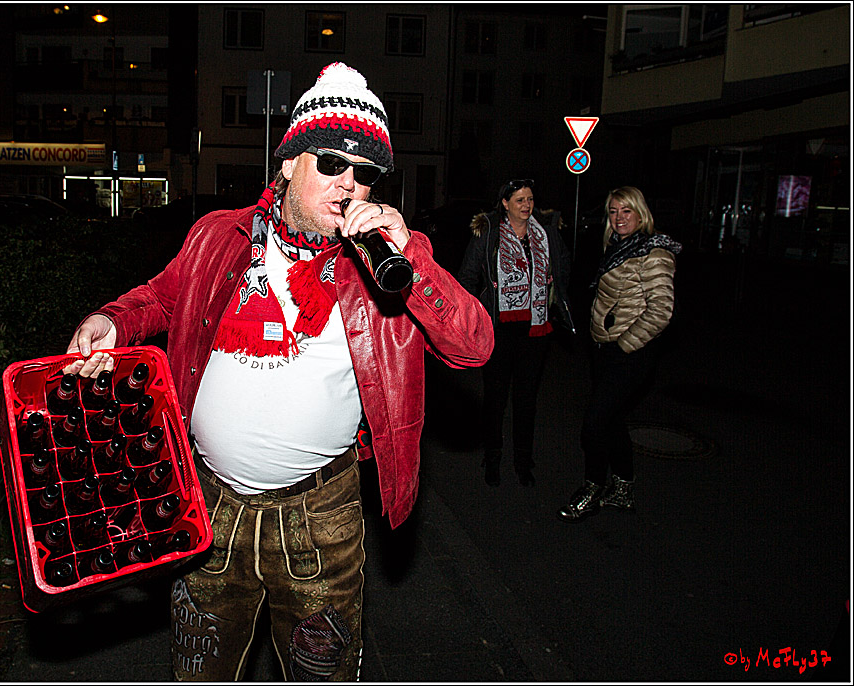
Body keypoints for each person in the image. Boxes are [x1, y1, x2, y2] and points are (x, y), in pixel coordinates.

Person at [64, 62, 493, 681]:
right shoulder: (219, 237)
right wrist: (114, 321)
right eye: (333, 163)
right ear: (290, 162)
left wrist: (409, 262)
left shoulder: (383, 264)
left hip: (321, 519)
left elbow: (473, 346)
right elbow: (162, 297)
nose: (349, 184)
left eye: (366, 173)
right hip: (209, 510)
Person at [558, 186, 681, 522]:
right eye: (613, 211)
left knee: (594, 424)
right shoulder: (619, 246)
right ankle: (624, 489)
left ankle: (593, 487)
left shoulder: (653, 252)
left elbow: (661, 311)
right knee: (612, 421)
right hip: (606, 350)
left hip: (629, 355)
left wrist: (625, 345)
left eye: (626, 211)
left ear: (641, 213)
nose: (619, 217)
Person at [457, 179, 574, 487]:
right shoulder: (489, 234)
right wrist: (473, 316)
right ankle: (492, 459)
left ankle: (524, 462)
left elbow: (562, 267)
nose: (527, 204)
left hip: (536, 329)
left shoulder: (545, 232)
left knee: (527, 400)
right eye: (520, 199)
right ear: (505, 204)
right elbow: (468, 276)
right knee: (495, 399)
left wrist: (554, 294)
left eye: (530, 198)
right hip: (498, 329)